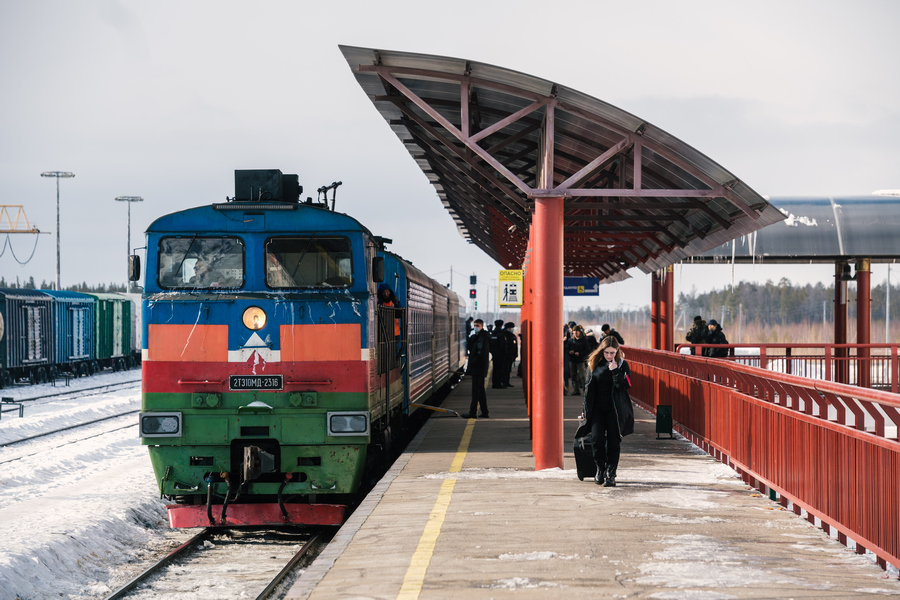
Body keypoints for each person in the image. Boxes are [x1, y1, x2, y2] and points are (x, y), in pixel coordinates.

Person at [583, 336, 634, 486]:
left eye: (612, 353)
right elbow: (587, 389)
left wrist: (615, 371)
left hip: (615, 409)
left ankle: (611, 474)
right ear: (601, 350)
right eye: (606, 352)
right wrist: (585, 409)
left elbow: (625, 386)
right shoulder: (593, 364)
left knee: (614, 442)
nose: (609, 356)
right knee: (597, 440)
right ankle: (600, 468)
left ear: (617, 351)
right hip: (597, 408)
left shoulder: (622, 365)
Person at [463, 319, 491, 419]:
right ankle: (484, 412)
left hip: (479, 367)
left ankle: (473, 412)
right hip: (479, 367)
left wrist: (473, 363)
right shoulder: (478, 337)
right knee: (480, 391)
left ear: (482, 326)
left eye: (477, 325)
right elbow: (472, 348)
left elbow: (481, 353)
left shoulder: (483, 337)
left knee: (476, 391)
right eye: (474, 325)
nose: (475, 327)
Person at [567, 326, 590, 395]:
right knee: (573, 375)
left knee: (582, 376)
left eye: (577, 331)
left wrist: (580, 353)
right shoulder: (570, 340)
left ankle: (585, 390)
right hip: (572, 360)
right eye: (574, 332)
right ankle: (576, 390)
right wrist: (569, 352)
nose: (575, 333)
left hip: (580, 360)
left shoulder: (584, 340)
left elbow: (587, 350)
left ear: (579, 332)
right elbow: (566, 349)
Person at [490, 319, 507, 389]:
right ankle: (499, 384)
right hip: (500, 355)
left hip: (494, 354)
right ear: (501, 325)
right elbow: (503, 345)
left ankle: (494, 384)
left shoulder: (493, 333)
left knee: (495, 369)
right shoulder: (501, 334)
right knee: (500, 370)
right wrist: (504, 353)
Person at [502, 322, 518, 387]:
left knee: (508, 370)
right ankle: (504, 382)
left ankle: (507, 382)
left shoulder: (512, 335)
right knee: (505, 369)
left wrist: (515, 354)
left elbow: (515, 346)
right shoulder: (504, 335)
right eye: (511, 328)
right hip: (506, 355)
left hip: (511, 355)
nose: (512, 329)